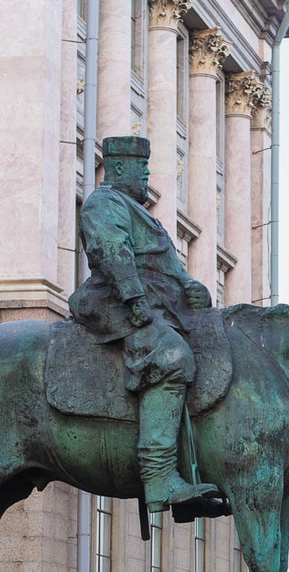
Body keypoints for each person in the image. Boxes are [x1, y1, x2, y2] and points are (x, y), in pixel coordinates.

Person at [71, 136, 222, 513]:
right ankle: (159, 479)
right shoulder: (102, 203)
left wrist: (190, 284)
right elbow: (111, 251)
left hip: (153, 301)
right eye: (143, 168)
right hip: (114, 302)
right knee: (172, 357)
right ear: (121, 168)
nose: (148, 175)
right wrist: (134, 300)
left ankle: (191, 471)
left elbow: (167, 263)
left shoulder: (143, 214)